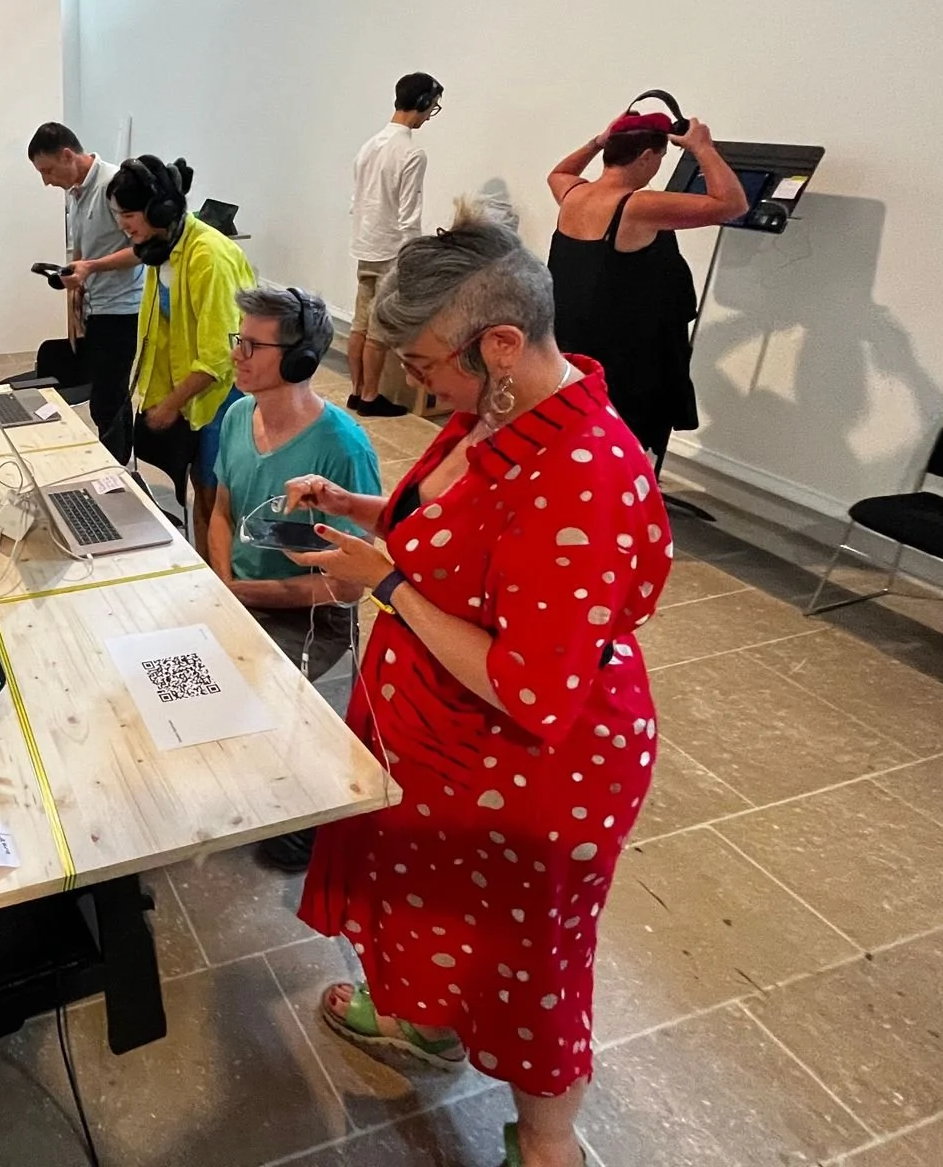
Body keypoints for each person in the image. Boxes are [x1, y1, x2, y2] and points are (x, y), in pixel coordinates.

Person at [279, 202, 667, 1167]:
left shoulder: (583, 470)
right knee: (431, 914)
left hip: (530, 767)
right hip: (451, 742)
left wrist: (388, 585)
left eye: (423, 363)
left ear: (498, 345)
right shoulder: (499, 414)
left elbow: (531, 689)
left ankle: (549, 1143)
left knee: (526, 963)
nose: (414, 381)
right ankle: (424, 1023)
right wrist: (358, 506)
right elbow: (452, 530)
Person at [203, 284, 380, 871]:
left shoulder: (343, 450)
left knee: (235, 688)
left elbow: (346, 587)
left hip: (313, 616)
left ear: (300, 360)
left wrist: (237, 594)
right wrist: (223, 582)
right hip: (241, 593)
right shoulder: (237, 414)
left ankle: (308, 809)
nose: (237, 355)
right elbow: (223, 510)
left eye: (252, 346)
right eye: (239, 340)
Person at [547, 109, 746, 465]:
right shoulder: (638, 205)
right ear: (646, 157)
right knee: (617, 438)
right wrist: (702, 147)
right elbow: (732, 204)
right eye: (659, 159)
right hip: (624, 352)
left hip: (571, 340)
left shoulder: (574, 193)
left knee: (579, 431)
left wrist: (597, 141)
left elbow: (558, 173)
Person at [109, 155, 255, 527]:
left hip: (224, 395)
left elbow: (220, 353)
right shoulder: (162, 251)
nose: (123, 225)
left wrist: (172, 403)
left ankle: (218, 563)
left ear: (159, 210)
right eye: (118, 215)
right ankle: (203, 556)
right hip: (193, 392)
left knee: (216, 496)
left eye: (129, 214)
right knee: (199, 489)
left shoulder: (209, 257)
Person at [27, 121, 144, 462]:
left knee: (109, 397)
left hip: (122, 309)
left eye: (47, 170)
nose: (46, 181)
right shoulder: (76, 191)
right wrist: (74, 284)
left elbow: (142, 250)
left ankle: (116, 469)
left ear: (68, 155)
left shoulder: (114, 186)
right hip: (95, 307)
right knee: (106, 395)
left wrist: (90, 268)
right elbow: (82, 250)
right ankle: (115, 461)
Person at [348, 72, 444, 417]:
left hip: (364, 244)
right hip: (391, 250)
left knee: (360, 323)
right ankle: (371, 397)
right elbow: (408, 214)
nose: (430, 115)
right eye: (433, 107)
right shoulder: (411, 153)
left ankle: (356, 391)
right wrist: (414, 259)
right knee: (378, 330)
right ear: (422, 103)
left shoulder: (369, 145)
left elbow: (356, 200)